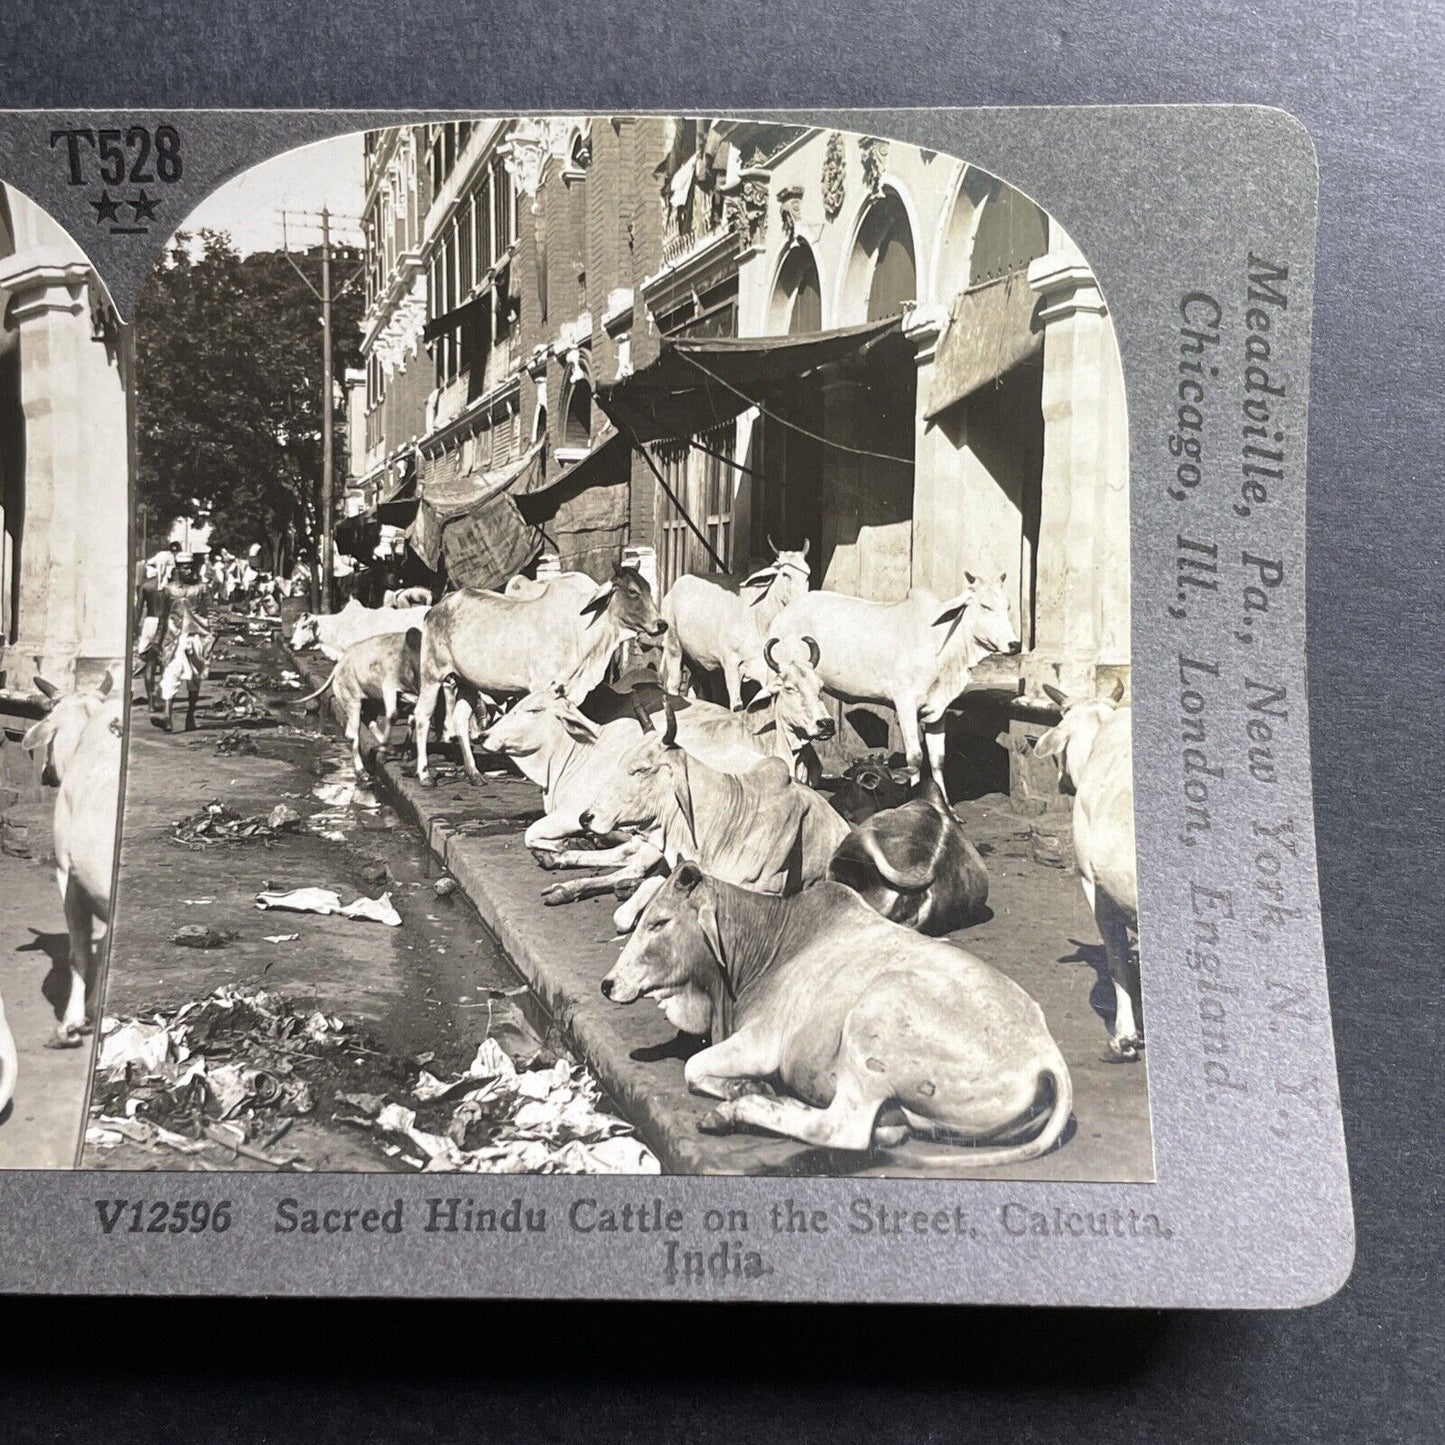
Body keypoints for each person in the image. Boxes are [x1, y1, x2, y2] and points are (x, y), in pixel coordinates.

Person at [152, 553, 215, 733]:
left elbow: (212, 613)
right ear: (177, 569)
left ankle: (190, 716)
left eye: (190, 567)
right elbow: (163, 617)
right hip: (175, 639)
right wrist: (157, 639)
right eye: (184, 567)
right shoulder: (169, 590)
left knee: (194, 678)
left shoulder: (202, 589)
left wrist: (213, 637)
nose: (188, 571)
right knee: (171, 674)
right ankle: (167, 716)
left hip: (196, 637)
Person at [133, 560, 165, 710]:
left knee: (149, 664)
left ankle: (151, 703)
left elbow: (139, 608)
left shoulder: (147, 584)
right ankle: (162, 699)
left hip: (149, 622)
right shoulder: (171, 586)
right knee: (166, 663)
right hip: (165, 623)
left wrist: (134, 628)